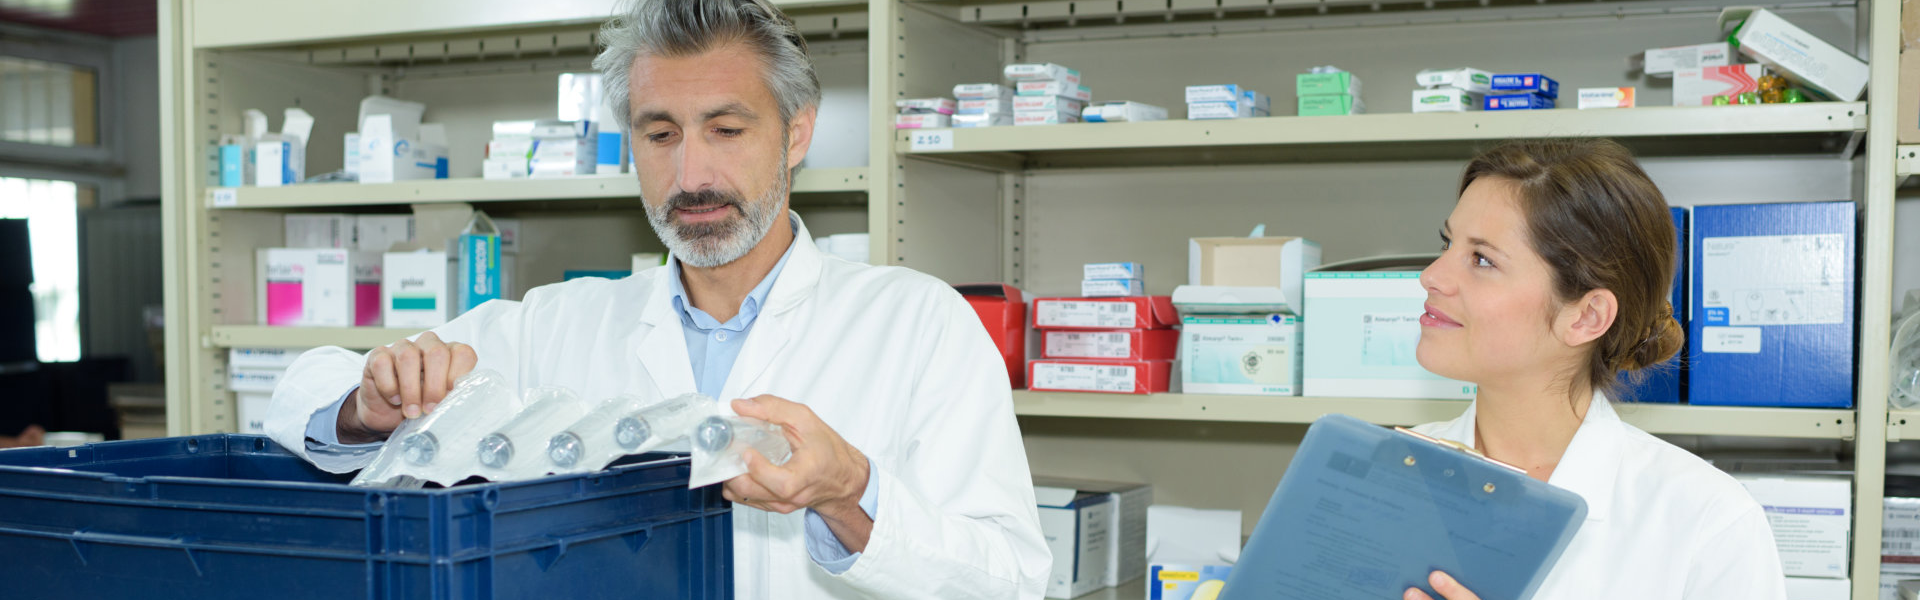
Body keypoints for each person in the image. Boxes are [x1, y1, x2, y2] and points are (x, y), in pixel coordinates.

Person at [262, 0, 1051, 597]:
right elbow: (301, 391)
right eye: (661, 133)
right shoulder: (555, 325)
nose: (691, 176)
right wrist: (370, 401)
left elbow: (1014, 578)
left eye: (727, 130)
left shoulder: (917, 323)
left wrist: (851, 493)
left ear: (798, 133)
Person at [1402, 139, 1786, 600]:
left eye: (1482, 259)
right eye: (1447, 243)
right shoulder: (1388, 470)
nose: (1431, 275)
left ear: (1586, 317)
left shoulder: (1707, 520)